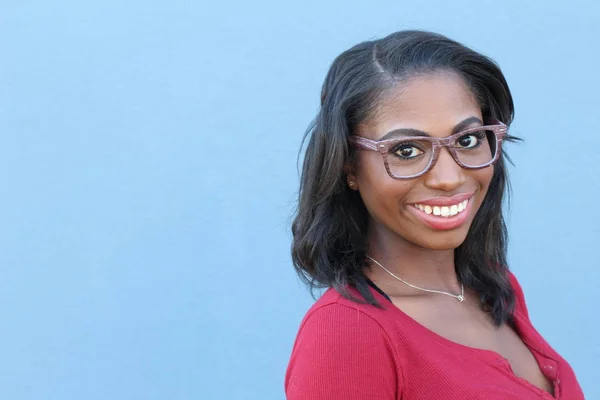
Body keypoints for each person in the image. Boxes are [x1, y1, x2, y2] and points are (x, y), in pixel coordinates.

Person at [285, 30, 584, 399]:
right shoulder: (347, 333)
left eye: (467, 140)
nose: (449, 177)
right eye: (407, 150)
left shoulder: (492, 287)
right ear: (348, 167)